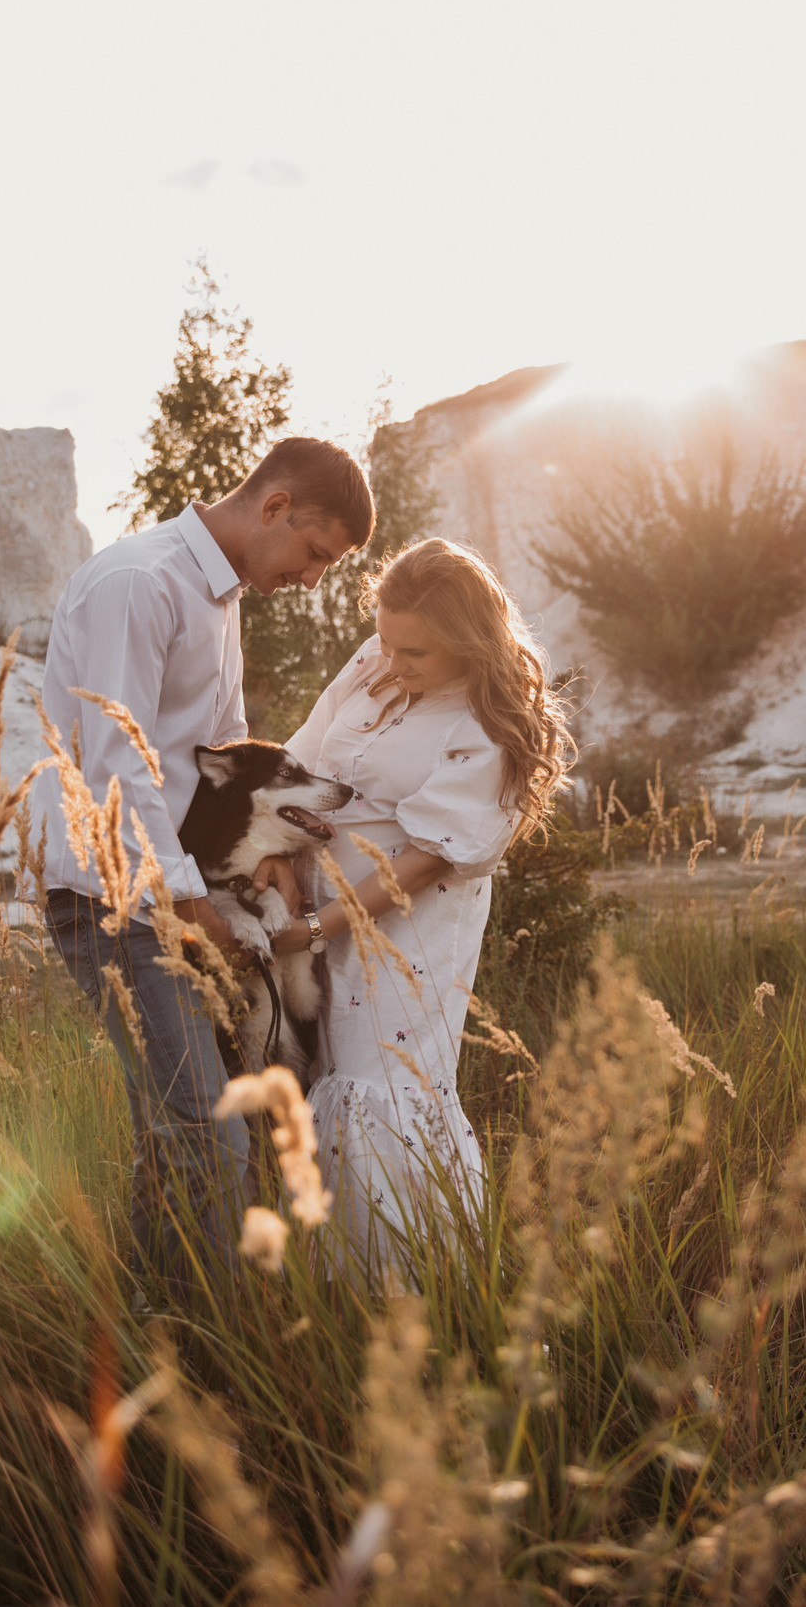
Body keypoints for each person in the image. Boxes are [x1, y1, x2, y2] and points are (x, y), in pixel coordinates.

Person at [35, 438, 374, 1304]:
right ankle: (207, 1347)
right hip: (117, 900)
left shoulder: (217, 598)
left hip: (187, 895)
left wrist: (271, 869)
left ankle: (153, 1324)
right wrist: (193, 903)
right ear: (274, 506)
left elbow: (225, 763)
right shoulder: (138, 585)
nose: (311, 579)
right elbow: (120, 766)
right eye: (315, 553)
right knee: (206, 1132)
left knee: (184, 1130)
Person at [269, 538, 574, 1284]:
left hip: (406, 927)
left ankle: (427, 1292)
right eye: (387, 639)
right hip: (304, 909)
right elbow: (298, 761)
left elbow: (429, 857)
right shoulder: (376, 660)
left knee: (383, 1090)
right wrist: (279, 868)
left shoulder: (489, 723)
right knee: (318, 1083)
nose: (394, 662)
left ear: (471, 643)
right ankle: (334, 1294)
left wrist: (311, 929)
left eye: (418, 653)